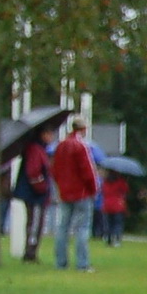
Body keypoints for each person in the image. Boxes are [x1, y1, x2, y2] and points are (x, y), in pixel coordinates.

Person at [50, 117, 99, 272]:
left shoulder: (60, 145)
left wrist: (60, 187)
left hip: (65, 192)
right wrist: (93, 189)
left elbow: (54, 170)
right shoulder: (81, 146)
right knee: (82, 228)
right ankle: (82, 263)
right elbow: (88, 171)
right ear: (83, 128)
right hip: (82, 193)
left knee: (62, 228)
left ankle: (60, 262)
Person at [13, 124, 56, 262]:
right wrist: (42, 187)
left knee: (34, 222)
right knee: (35, 223)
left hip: (35, 193)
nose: (52, 137)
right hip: (35, 194)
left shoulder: (39, 149)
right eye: (49, 133)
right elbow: (33, 171)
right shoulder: (36, 149)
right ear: (42, 134)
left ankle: (31, 251)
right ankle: (30, 252)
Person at [99, 169, 130, 247]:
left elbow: (102, 191)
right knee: (117, 224)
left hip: (106, 205)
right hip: (117, 205)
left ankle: (109, 239)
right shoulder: (121, 182)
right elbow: (125, 191)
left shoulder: (105, 182)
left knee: (108, 224)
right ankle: (117, 240)